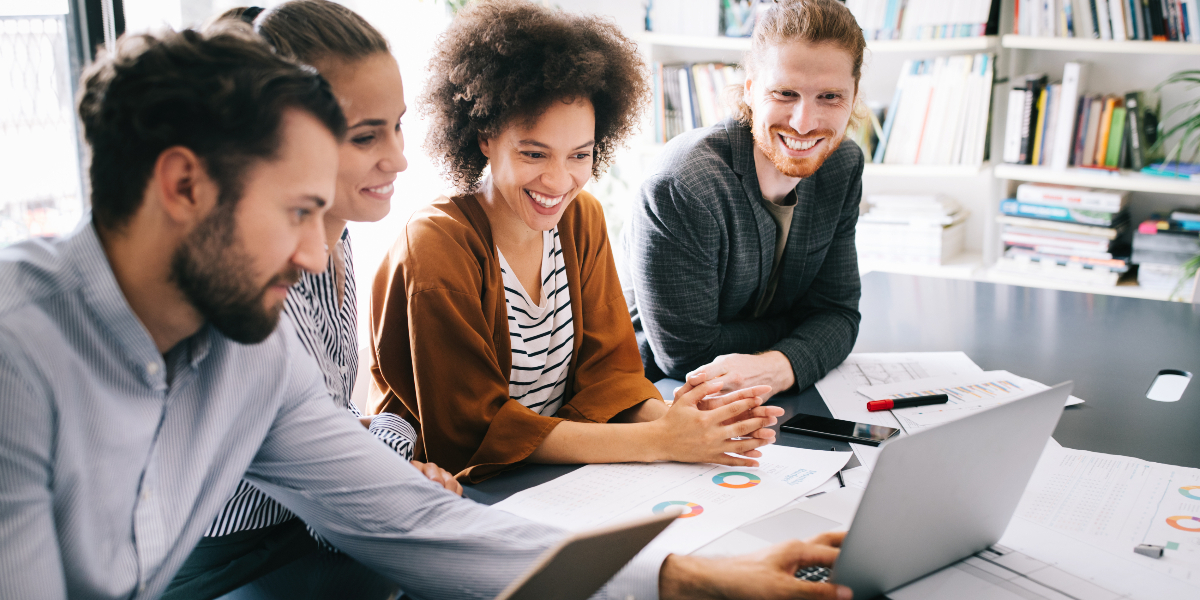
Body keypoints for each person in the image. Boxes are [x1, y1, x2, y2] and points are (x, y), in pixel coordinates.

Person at [0, 22, 853, 600]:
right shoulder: (20, 363)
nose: (316, 257)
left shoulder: (252, 354)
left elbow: (407, 519)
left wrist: (687, 578)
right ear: (183, 185)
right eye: (298, 212)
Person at [367, 0, 784, 484]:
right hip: (458, 488)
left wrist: (683, 423)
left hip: (557, 474)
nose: (559, 181)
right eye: (534, 152)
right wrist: (659, 441)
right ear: (485, 136)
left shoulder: (580, 217)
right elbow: (476, 431)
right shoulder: (436, 245)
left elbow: (609, 375)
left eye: (579, 155)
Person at [163, 3, 458, 599]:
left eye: (397, 125)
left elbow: (319, 415)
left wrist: (389, 451)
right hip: (224, 563)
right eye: (365, 136)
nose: (399, 157)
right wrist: (389, 467)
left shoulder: (334, 232)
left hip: (301, 531)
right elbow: (319, 480)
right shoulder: (240, 289)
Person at [621, 0, 865, 400]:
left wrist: (782, 366)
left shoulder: (842, 166)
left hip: (769, 393)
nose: (804, 122)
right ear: (750, 89)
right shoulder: (683, 184)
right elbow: (685, 355)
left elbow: (838, 313)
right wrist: (804, 330)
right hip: (662, 397)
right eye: (785, 93)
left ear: (853, 97)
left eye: (829, 96)